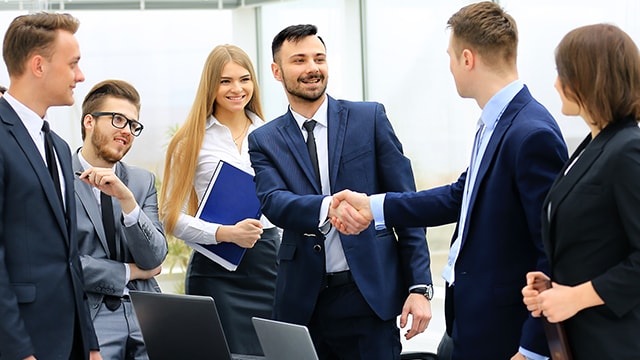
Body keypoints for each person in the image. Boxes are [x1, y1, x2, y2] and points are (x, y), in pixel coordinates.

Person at [331, 2, 568, 359]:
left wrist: (534, 348)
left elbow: (551, 250)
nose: (451, 67)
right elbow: (460, 196)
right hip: (469, 321)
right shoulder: (498, 123)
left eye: (451, 57)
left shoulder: (531, 133)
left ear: (468, 59)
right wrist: (374, 206)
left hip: (505, 335)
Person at [247, 24, 432, 360]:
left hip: (369, 297)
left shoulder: (369, 117)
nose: (312, 68)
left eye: (319, 58)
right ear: (277, 71)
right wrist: (328, 207)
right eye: (299, 60)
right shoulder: (264, 140)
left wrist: (419, 287)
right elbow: (273, 201)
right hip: (304, 305)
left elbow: (405, 205)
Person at [521, 24, 640, 359]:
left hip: (614, 343)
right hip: (580, 340)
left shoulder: (628, 149)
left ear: (588, 78)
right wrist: (552, 284)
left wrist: (576, 297)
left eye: (563, 73)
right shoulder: (593, 146)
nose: (556, 84)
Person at [159, 44, 279, 356]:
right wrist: (224, 233)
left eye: (244, 79)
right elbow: (170, 216)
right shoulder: (190, 141)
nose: (237, 89)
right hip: (215, 270)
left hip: (268, 263)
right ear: (210, 86)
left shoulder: (275, 135)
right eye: (225, 81)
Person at [0, 12, 101, 359]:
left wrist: (90, 343)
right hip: (23, 341)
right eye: (73, 64)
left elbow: (69, 258)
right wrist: (17, 350)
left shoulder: (58, 145)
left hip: (70, 340)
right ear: (38, 65)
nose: (80, 75)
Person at [74, 79, 168, 359]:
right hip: (90, 314)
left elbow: (154, 258)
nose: (126, 130)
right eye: (118, 119)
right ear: (89, 121)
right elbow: (65, 261)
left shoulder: (141, 181)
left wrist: (128, 201)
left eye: (132, 125)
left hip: (146, 312)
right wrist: (130, 272)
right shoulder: (56, 178)